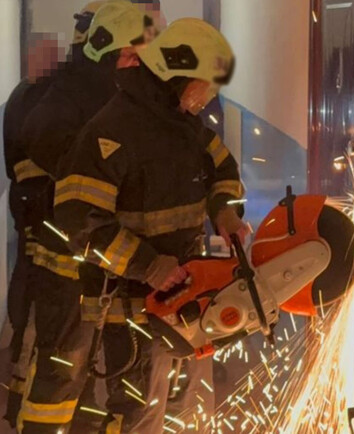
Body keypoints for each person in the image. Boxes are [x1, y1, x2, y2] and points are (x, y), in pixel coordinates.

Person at [54, 18, 248, 432]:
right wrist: (147, 265)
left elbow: (224, 170)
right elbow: (80, 221)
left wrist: (224, 210)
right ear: (177, 75)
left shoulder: (187, 127)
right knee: (140, 415)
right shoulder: (110, 133)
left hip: (190, 296)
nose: (210, 95)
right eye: (206, 84)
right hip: (132, 310)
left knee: (191, 408)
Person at [16, 2, 155, 433]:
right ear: (104, 49)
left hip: (110, 260)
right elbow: (60, 166)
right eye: (130, 55)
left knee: (120, 372)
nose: (137, 65)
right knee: (62, 370)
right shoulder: (62, 101)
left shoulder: (115, 95)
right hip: (68, 265)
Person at [2, 34, 63, 428]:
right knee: (29, 296)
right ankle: (19, 397)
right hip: (33, 210)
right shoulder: (28, 99)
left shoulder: (29, 95)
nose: (54, 64)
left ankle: (17, 396)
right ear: (31, 59)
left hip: (31, 207)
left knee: (28, 293)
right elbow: (23, 160)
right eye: (47, 56)